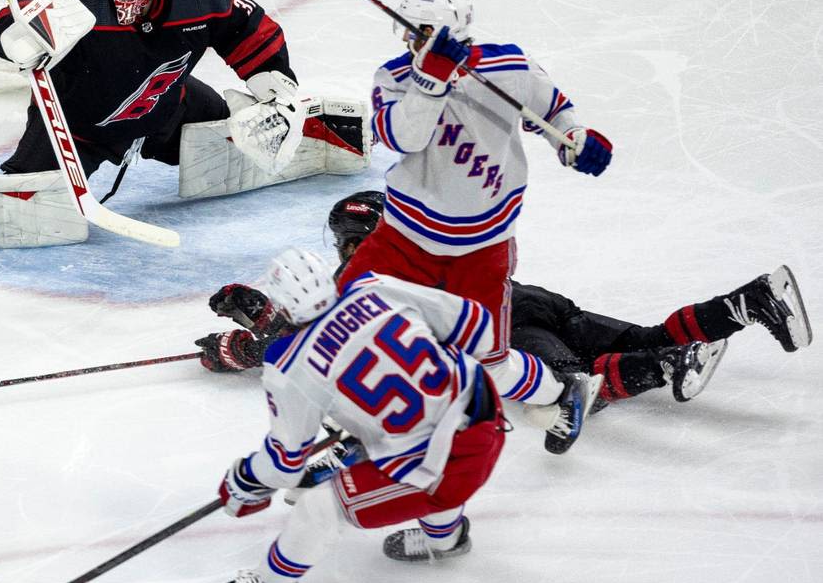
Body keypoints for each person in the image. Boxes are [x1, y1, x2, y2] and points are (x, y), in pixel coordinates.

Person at [197, 190, 812, 409]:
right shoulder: (419, 248)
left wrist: (239, 345)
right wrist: (248, 314)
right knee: (636, 337)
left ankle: (671, 368)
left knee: (575, 388)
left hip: (503, 328)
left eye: (346, 241)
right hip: (529, 300)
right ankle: (748, 302)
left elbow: (310, 342)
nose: (344, 250)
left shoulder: (366, 282)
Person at [334, 0, 613, 443]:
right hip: (403, 238)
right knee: (342, 322)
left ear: (452, 31)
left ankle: (561, 392)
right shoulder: (394, 77)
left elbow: (555, 111)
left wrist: (574, 141)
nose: (413, 43)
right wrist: (430, 81)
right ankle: (347, 432)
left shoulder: (509, 66)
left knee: (490, 367)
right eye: (409, 33)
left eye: (423, 32)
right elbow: (405, 137)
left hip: (482, 250)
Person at [210, 248, 508, 583]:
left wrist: (244, 477)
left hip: (448, 463)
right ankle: (447, 539)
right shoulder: (372, 286)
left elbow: (286, 465)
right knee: (418, 470)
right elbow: (476, 324)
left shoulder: (289, 363)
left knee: (320, 506)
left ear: (283, 306)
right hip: (484, 408)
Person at [0, 0, 366, 192]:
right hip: (80, 130)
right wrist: (15, 33)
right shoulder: (86, 1)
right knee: (31, 190)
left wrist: (275, 86)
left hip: (167, 110)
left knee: (230, 133)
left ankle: (306, 132)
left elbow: (247, 29)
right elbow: (14, 20)